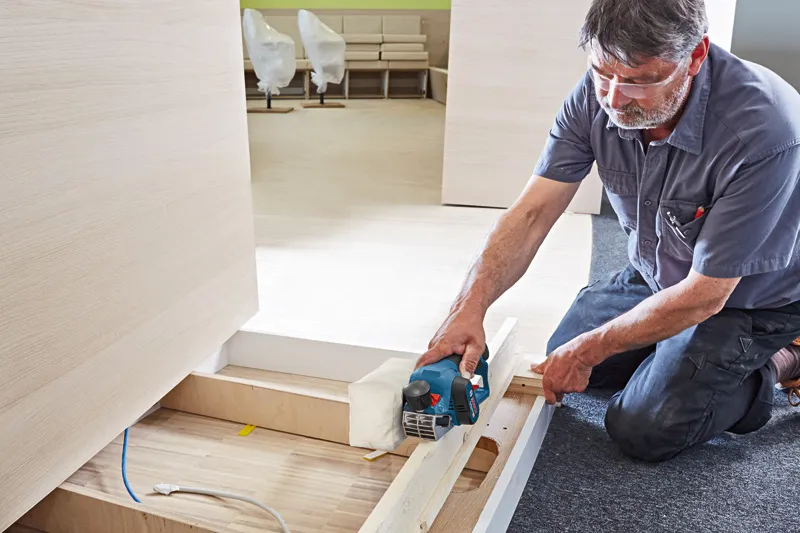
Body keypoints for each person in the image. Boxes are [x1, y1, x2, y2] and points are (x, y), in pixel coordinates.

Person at [415, 0, 800, 462]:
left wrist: (595, 345)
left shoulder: (765, 130)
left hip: (749, 299)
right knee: (566, 355)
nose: (614, 98)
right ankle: (675, 353)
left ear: (695, 56)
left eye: (640, 80)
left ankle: (783, 359)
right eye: (603, 71)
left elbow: (708, 294)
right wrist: (468, 306)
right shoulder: (598, 93)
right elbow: (533, 212)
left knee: (644, 428)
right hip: (660, 272)